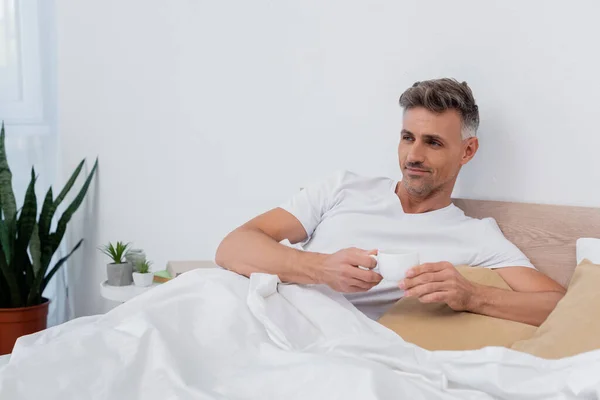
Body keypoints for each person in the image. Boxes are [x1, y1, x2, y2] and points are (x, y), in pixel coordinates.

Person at [215, 78, 565, 323]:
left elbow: (561, 306)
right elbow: (233, 247)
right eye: (407, 137)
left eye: (433, 142)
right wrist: (321, 269)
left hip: (331, 345)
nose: (413, 155)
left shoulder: (476, 236)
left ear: (467, 151)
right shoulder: (344, 189)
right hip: (260, 313)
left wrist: (473, 296)